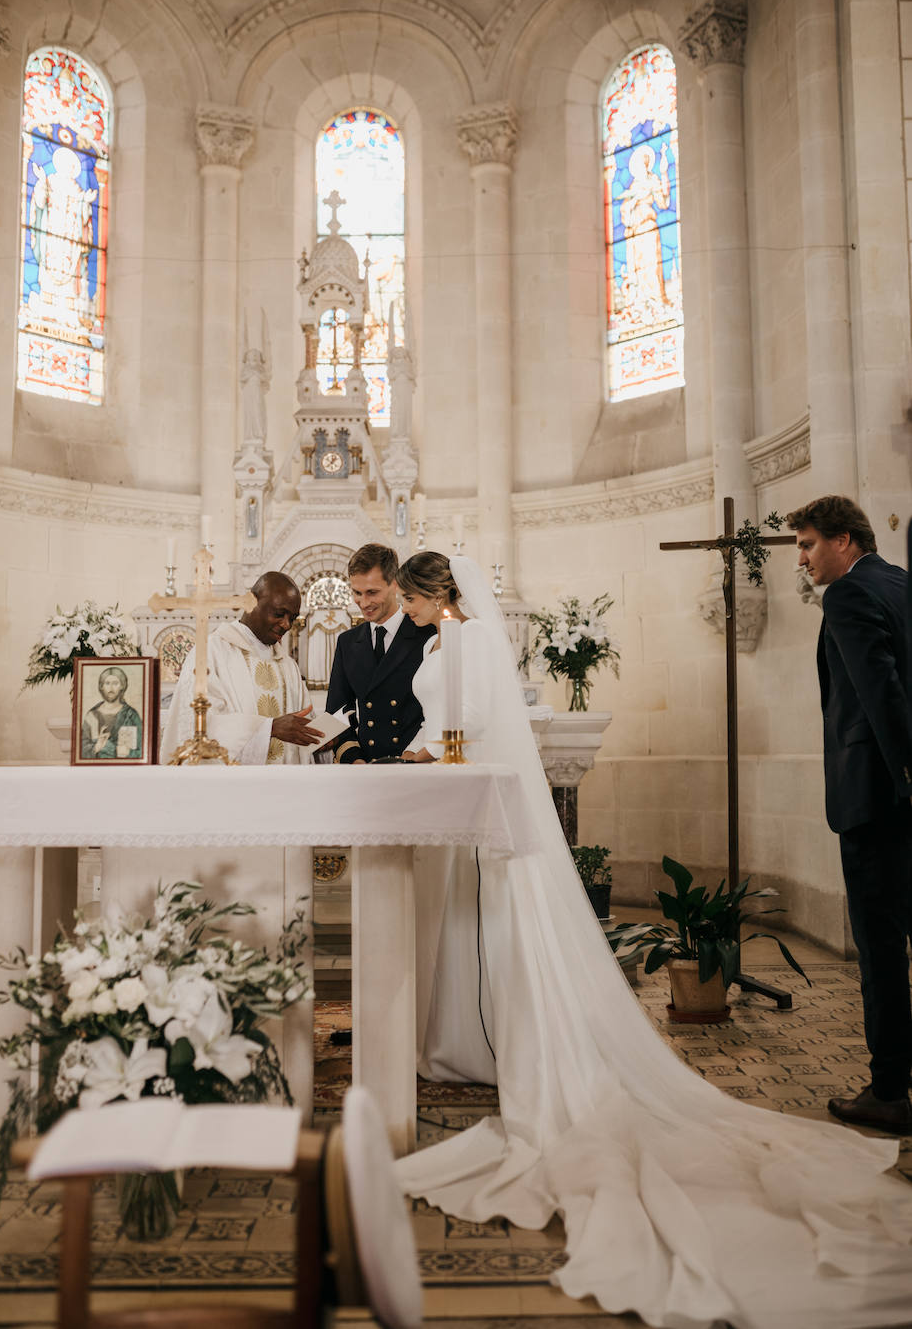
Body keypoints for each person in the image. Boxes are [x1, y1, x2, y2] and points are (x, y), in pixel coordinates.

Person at [394, 550, 912, 1329]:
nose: (405, 612)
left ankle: (516, 1045)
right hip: (450, 783)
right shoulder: (440, 643)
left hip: (469, 787)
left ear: (434, 593)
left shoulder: (467, 641)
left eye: (407, 599)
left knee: (507, 927)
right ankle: (475, 1038)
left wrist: (431, 751)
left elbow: (467, 727)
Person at [786, 495, 912, 1135]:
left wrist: (907, 778)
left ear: (843, 540)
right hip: (901, 794)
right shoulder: (903, 584)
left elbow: (882, 691)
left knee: (882, 948)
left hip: (878, 799)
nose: (803, 559)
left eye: (808, 545)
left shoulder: (848, 596)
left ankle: (890, 1090)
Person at [159, 571, 322, 765]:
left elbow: (304, 729)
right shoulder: (210, 652)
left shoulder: (289, 667)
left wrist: (320, 740)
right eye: (279, 614)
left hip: (287, 787)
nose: (286, 624)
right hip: (235, 788)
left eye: (292, 618)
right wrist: (269, 728)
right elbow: (196, 725)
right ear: (251, 603)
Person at [325, 543, 435, 764]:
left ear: (394, 584)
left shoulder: (428, 634)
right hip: (366, 768)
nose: (363, 603)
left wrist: (413, 757)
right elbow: (337, 713)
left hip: (416, 762)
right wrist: (354, 759)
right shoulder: (347, 642)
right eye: (357, 592)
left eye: (372, 592)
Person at [81, 665, 142, 759]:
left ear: (122, 686)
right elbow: (81, 749)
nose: (111, 688)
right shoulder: (92, 715)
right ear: (101, 686)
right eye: (107, 683)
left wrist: (126, 752)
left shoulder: (131, 715)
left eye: (115, 683)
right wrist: (97, 747)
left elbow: (143, 750)